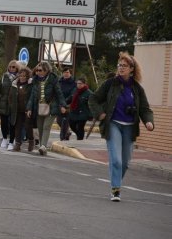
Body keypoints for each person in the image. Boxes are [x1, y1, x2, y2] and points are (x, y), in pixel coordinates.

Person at [89, 52, 154, 202]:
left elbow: (145, 108)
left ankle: (116, 182)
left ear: (132, 69)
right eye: (119, 65)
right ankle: (116, 190)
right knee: (116, 160)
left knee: (125, 162)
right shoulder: (110, 84)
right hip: (113, 125)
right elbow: (93, 99)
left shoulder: (137, 88)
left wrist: (149, 122)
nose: (121, 68)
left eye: (124, 66)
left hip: (130, 128)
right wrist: (100, 114)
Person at [26, 61, 67, 156]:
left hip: (52, 107)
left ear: (46, 70)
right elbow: (32, 95)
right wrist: (29, 108)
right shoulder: (35, 80)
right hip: (39, 107)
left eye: (40, 70)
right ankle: (42, 147)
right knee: (40, 127)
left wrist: (63, 105)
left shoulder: (53, 79)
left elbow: (59, 93)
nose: (38, 72)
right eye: (37, 70)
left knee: (46, 126)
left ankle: (43, 146)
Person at [8, 67, 34, 152]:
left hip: (27, 110)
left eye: (24, 76)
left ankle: (31, 141)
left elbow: (32, 97)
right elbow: (10, 97)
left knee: (27, 126)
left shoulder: (30, 85)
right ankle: (18, 144)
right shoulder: (14, 85)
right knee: (18, 127)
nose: (22, 77)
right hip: (17, 110)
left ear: (27, 77)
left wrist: (30, 107)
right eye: (21, 75)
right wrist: (11, 105)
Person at [0, 60, 20, 150]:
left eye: (13, 67)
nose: (11, 68)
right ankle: (5, 139)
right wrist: (1, 98)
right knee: (4, 123)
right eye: (10, 66)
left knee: (12, 123)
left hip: (14, 104)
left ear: (17, 68)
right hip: (4, 104)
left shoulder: (19, 78)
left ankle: (11, 141)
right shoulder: (4, 76)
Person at [57, 67, 76, 140]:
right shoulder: (59, 81)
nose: (66, 74)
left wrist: (65, 103)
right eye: (64, 72)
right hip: (60, 104)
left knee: (65, 121)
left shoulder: (74, 82)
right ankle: (67, 132)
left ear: (70, 73)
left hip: (69, 104)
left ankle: (63, 138)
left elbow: (73, 94)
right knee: (59, 121)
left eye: (67, 72)